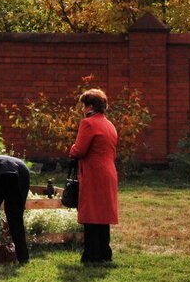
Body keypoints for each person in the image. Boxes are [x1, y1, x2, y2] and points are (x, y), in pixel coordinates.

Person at [69, 88, 119, 264]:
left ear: (89, 106)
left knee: (91, 214)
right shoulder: (109, 124)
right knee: (102, 215)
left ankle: (91, 255)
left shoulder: (88, 123)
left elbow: (79, 150)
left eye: (83, 106)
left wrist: (71, 149)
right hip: (109, 171)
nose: (82, 110)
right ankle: (105, 253)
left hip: (94, 173)